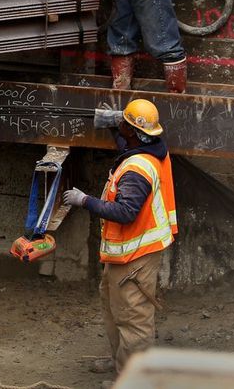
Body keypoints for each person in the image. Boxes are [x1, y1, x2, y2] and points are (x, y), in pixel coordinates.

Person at [63, 98, 178, 375]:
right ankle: (120, 362)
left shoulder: (137, 171)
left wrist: (84, 201)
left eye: (124, 123)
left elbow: (126, 212)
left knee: (133, 317)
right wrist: (115, 128)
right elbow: (128, 145)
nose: (120, 124)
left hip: (137, 253)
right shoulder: (150, 146)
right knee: (114, 305)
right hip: (128, 251)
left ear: (134, 131)